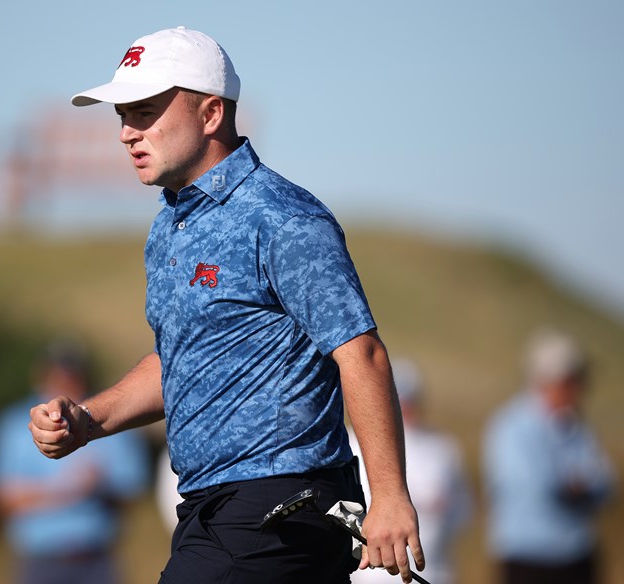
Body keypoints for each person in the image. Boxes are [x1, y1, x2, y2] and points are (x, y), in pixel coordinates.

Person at [29, 26, 424, 583]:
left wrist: (390, 498)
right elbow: (182, 363)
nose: (125, 133)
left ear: (211, 114)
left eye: (143, 112)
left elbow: (361, 355)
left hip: (279, 504)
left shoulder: (284, 218)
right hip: (213, 511)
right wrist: (88, 421)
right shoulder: (169, 226)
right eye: (122, 115)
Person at [0, 342, 150, 584]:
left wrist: (98, 484)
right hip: (40, 560)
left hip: (96, 558)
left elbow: (132, 487)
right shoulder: (13, 424)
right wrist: (67, 489)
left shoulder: (109, 418)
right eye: (58, 374)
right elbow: (4, 498)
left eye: (72, 374)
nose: (65, 382)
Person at [483, 328, 615, 584]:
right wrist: (578, 485)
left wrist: (578, 486)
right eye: (574, 380)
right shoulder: (511, 426)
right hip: (528, 558)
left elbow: (607, 484)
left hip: (578, 555)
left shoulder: (579, 426)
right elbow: (538, 486)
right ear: (551, 380)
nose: (582, 388)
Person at [350, 358, 472, 584]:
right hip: (372, 577)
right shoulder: (352, 444)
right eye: (396, 401)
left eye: (408, 401)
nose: (403, 409)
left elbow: (462, 510)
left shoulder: (442, 448)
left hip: (434, 571)